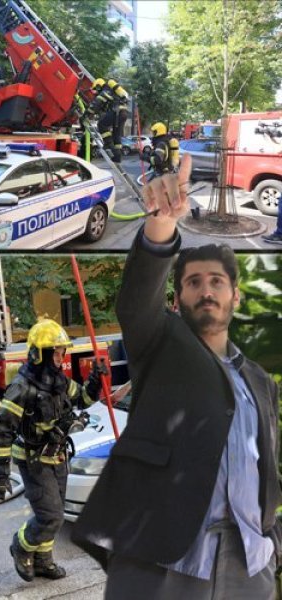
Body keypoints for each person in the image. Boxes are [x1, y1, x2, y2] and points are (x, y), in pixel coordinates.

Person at [72, 153, 281, 599]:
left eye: (217, 281)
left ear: (235, 296)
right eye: (193, 281)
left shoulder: (260, 380)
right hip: (165, 563)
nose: (206, 290)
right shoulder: (161, 344)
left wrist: (272, 539)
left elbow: (264, 462)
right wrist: (162, 225)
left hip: (251, 563)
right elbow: (135, 301)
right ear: (179, 295)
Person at [0, 318, 105, 581]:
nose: (62, 357)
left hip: (58, 456)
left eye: (63, 351)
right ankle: (20, 546)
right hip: (34, 461)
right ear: (41, 353)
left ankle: (43, 560)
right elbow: (0, 429)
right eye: (58, 352)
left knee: (56, 514)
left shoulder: (59, 381)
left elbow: (84, 399)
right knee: (50, 516)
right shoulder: (22, 387)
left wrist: (96, 379)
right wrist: (0, 474)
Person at [89, 79, 130, 156]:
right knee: (116, 134)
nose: (97, 91)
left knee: (101, 124)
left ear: (99, 85)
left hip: (117, 111)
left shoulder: (106, 90)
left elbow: (97, 102)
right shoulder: (113, 92)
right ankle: (117, 156)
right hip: (124, 113)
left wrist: (88, 112)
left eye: (96, 89)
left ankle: (108, 143)